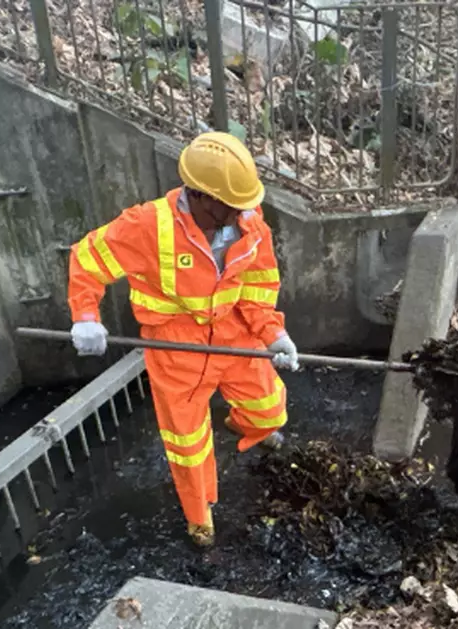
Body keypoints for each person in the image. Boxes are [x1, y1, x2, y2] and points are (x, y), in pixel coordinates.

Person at [66, 131, 300, 547]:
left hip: (232, 333)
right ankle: (199, 515)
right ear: (204, 196)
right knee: (186, 441)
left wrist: (273, 332)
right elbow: (87, 259)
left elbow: (259, 286)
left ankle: (247, 426)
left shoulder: (249, 223)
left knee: (268, 407)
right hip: (176, 347)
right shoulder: (147, 225)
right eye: (234, 205)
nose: (244, 213)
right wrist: (85, 316)